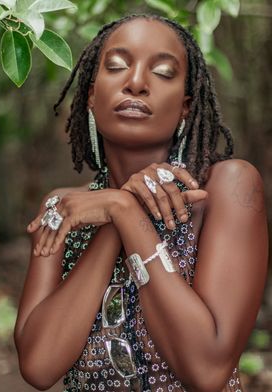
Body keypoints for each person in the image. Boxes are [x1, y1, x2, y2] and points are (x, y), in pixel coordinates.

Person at [14, 14, 268, 392]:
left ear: (186, 106)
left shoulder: (227, 187)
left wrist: (127, 213)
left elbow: (207, 371)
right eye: (116, 67)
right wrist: (117, 210)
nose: (135, 83)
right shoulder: (65, 208)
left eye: (163, 72)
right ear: (91, 95)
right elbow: (39, 365)